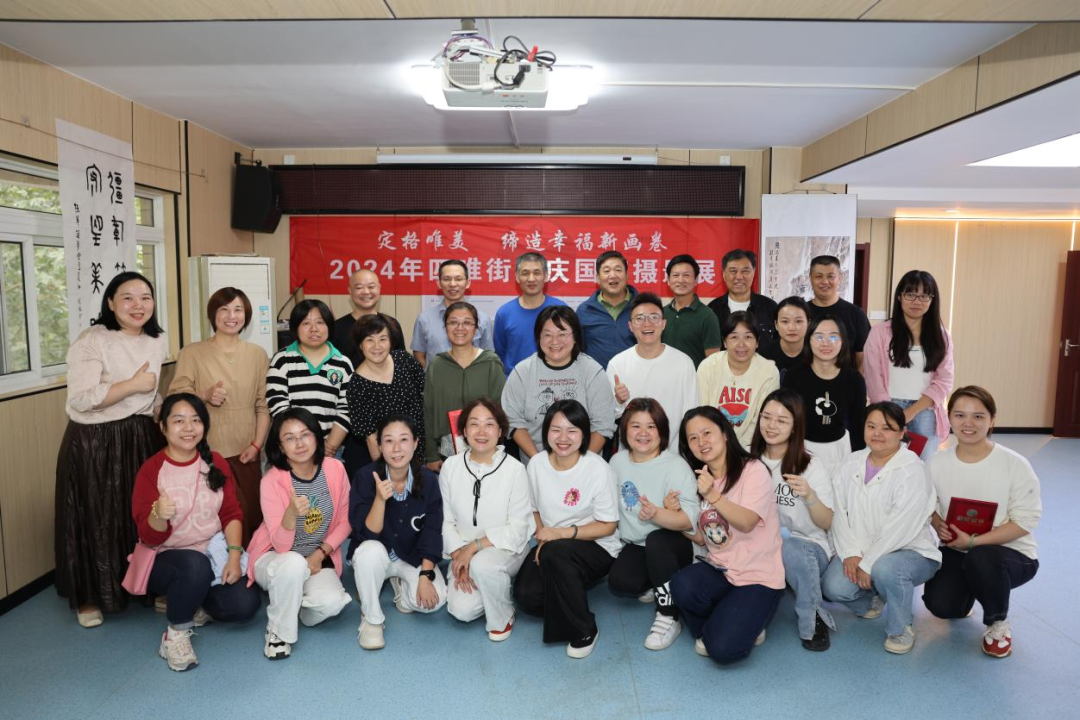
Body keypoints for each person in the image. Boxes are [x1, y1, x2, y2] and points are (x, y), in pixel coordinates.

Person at [55, 271, 168, 627]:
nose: (138, 305)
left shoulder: (157, 339)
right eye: (127, 298)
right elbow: (81, 399)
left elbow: (150, 391)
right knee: (95, 516)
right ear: (110, 303)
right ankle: (90, 596)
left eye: (145, 297)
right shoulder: (93, 340)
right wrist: (132, 385)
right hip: (95, 440)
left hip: (141, 436)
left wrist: (161, 406)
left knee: (142, 513)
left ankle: (149, 584)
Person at [131, 393, 261, 671]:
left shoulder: (215, 462)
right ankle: (175, 634)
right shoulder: (152, 470)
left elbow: (231, 513)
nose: (188, 428)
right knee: (194, 565)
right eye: (179, 421)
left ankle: (193, 600)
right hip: (166, 559)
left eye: (196, 420)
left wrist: (234, 557)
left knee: (244, 606)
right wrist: (158, 515)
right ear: (163, 427)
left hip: (213, 554)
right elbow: (148, 536)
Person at [922, 386, 1041, 659]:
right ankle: (974, 590)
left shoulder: (1014, 464)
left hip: (1010, 554)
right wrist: (938, 523)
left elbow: (1025, 521)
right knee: (941, 606)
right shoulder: (936, 463)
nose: (968, 423)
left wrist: (974, 541)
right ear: (949, 418)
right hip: (957, 549)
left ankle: (997, 622)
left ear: (992, 419)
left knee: (982, 556)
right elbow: (928, 506)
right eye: (960, 415)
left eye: (978, 416)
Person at [822, 402, 941, 655]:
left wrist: (868, 563)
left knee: (886, 569)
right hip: (860, 548)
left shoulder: (912, 470)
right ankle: (872, 600)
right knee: (834, 587)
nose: (877, 433)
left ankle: (901, 627)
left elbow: (901, 528)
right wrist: (851, 553)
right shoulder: (850, 463)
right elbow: (838, 513)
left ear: (902, 432)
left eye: (887, 428)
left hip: (909, 551)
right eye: (871, 426)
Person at [668, 406, 784, 664]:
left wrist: (712, 495)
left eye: (707, 433)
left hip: (758, 576)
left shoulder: (753, 469)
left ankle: (746, 621)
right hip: (722, 569)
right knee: (681, 585)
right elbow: (703, 538)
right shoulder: (700, 479)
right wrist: (677, 516)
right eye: (693, 438)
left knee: (722, 650)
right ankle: (733, 620)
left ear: (725, 433)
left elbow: (747, 522)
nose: (701, 442)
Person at [513, 400, 621, 658]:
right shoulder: (537, 464)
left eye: (572, 430)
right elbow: (534, 509)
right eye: (556, 430)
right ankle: (570, 594)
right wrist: (542, 538)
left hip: (596, 545)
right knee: (525, 596)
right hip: (552, 544)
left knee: (555, 553)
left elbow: (608, 526)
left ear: (584, 434)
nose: (563, 438)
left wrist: (560, 534)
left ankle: (584, 628)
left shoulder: (597, 469)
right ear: (546, 432)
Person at [246, 408, 354, 660]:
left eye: (305, 434)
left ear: (316, 437)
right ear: (280, 447)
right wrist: (291, 514)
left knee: (333, 603)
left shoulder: (335, 469)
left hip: (316, 558)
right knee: (293, 563)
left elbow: (346, 520)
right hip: (274, 558)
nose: (300, 443)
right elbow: (281, 546)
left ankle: (291, 604)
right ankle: (278, 632)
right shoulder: (272, 480)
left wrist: (320, 554)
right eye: (290, 438)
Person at [168, 287, 270, 544]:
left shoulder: (258, 354)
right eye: (224, 309)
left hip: (246, 451)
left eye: (238, 310)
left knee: (250, 516)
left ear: (246, 315)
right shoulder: (192, 353)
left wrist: (256, 445)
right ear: (213, 315)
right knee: (212, 520)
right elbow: (175, 399)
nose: (231, 316)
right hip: (206, 451)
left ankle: (249, 563)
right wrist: (204, 395)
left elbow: (263, 406)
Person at [607, 399, 698, 650]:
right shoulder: (617, 462)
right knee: (621, 582)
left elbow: (689, 520)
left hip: (672, 543)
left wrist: (657, 514)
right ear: (625, 430)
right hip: (636, 544)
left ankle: (669, 615)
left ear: (662, 431)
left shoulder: (676, 466)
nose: (643, 433)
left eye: (651, 426)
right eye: (636, 426)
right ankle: (657, 581)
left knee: (657, 540)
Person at [351, 415, 446, 650]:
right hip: (377, 554)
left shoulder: (429, 481)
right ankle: (372, 619)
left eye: (403, 440)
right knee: (369, 553)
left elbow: (432, 531)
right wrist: (380, 500)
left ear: (415, 443)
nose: (396, 448)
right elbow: (367, 536)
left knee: (434, 602)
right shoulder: (365, 477)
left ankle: (402, 589)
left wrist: (425, 576)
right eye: (388, 441)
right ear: (379, 445)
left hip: (411, 555)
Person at [439, 399, 532, 641]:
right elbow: (446, 521)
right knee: (461, 610)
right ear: (464, 431)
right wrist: (460, 556)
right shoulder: (450, 467)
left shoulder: (515, 470)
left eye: (489, 424)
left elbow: (518, 529)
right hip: (462, 551)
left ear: (500, 431)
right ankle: (494, 585)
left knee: (483, 565)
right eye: (474, 424)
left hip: (506, 549)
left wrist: (473, 548)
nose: (481, 431)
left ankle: (503, 615)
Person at [750, 389, 836, 651]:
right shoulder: (748, 460)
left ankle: (813, 620)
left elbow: (826, 522)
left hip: (806, 546)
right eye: (767, 417)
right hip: (761, 544)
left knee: (791, 549)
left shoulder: (810, 464)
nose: (772, 425)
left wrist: (809, 496)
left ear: (795, 426)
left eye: (782, 420)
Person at [502, 305, 616, 460]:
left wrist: (582, 464)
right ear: (538, 337)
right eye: (547, 335)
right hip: (535, 462)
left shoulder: (592, 371)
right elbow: (513, 421)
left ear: (575, 336)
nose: (555, 341)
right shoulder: (523, 372)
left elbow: (603, 425)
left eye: (562, 334)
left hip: (584, 463)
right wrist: (538, 461)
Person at [864, 270, 954, 461]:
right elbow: (873, 376)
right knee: (886, 463)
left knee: (923, 465)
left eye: (924, 296)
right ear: (899, 296)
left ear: (932, 300)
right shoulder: (880, 332)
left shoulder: (942, 335)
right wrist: (891, 413)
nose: (917, 301)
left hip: (925, 411)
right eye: (911, 294)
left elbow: (945, 379)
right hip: (888, 406)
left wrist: (911, 412)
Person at [606, 292, 698, 449]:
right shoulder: (617, 364)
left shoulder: (683, 363)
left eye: (654, 317)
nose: (647, 324)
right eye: (640, 318)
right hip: (630, 455)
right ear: (630, 326)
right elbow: (608, 415)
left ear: (663, 324)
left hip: (672, 454)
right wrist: (619, 401)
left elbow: (692, 415)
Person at [423, 301, 506, 472]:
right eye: (453, 322)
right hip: (446, 450)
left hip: (485, 445)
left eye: (467, 322)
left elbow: (499, 411)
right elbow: (428, 411)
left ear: (476, 329)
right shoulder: (437, 365)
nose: (460, 328)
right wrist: (431, 455)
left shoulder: (491, 363)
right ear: (445, 327)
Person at [343, 314, 426, 479]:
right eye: (369, 340)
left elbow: (424, 396)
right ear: (360, 344)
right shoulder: (357, 386)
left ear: (391, 341)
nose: (377, 346)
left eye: (382, 339)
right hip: (390, 461)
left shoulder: (404, 360)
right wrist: (388, 474)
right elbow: (371, 438)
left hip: (419, 450)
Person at [265, 299, 352, 457]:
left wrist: (330, 446)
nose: (314, 329)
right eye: (306, 323)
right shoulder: (282, 360)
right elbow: (277, 404)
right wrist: (302, 443)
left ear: (329, 326)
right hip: (292, 449)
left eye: (320, 322)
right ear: (296, 327)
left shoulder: (342, 363)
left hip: (330, 450)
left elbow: (346, 408)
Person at [782, 315, 866, 472]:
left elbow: (858, 426)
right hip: (802, 449)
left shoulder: (854, 379)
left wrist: (859, 464)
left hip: (840, 450)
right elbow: (787, 421)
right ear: (809, 340)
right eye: (819, 337)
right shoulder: (794, 377)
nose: (826, 343)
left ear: (842, 341)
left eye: (833, 337)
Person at [696, 311, 780, 449]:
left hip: (749, 447)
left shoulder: (769, 372)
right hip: (711, 444)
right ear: (724, 342)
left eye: (748, 337)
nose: (741, 344)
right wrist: (717, 445)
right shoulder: (708, 366)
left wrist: (737, 449)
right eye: (734, 337)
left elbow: (762, 419)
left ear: (757, 342)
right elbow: (702, 412)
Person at [494, 252, 567, 377]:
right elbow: (500, 353)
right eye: (525, 273)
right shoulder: (504, 313)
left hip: (554, 380)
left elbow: (568, 348)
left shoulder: (561, 310)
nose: (531, 279)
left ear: (546, 276)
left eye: (537, 273)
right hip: (515, 382)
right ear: (517, 277)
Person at [412, 259, 494, 369]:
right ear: (439, 283)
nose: (452, 284)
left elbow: (488, 357)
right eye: (447, 279)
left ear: (468, 283)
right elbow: (419, 356)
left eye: (458, 279)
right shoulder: (424, 319)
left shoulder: (483, 319)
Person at [806, 255, 871, 370]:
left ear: (840, 278)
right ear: (810, 278)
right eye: (819, 276)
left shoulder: (856, 314)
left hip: (846, 380)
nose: (825, 282)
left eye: (831, 276)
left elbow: (863, 361)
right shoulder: (801, 313)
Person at [707, 249, 778, 353]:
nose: (739, 277)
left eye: (745, 271)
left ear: (753, 273)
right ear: (724, 274)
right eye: (733, 271)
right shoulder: (712, 310)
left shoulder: (770, 307)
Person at [575, 250, 637, 369]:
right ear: (598, 278)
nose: (613, 275)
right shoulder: (584, 311)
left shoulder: (641, 308)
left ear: (627, 275)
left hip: (635, 376)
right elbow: (578, 351)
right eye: (607, 271)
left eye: (618, 270)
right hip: (596, 378)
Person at [661, 254, 723, 368]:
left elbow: (713, 363)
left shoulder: (708, 316)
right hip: (663, 377)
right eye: (675, 275)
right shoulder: (661, 314)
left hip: (694, 378)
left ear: (696, 280)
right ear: (668, 280)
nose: (680, 280)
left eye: (686, 275)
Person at [332, 268, 405, 365]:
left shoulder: (392, 324)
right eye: (359, 287)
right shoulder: (336, 328)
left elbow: (402, 363)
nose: (366, 292)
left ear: (379, 288)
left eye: (371, 287)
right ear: (350, 290)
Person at [761, 296, 810, 382]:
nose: (792, 328)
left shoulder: (817, 354)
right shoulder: (763, 356)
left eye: (798, 321)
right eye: (785, 321)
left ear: (808, 323)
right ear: (776, 324)